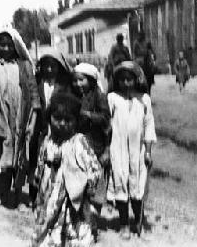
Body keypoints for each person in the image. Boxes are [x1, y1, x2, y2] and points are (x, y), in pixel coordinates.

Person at [31, 92, 101, 247]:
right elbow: (40, 165)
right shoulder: (47, 141)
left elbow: (95, 168)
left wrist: (86, 186)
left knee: (73, 232)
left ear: (76, 121)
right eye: (57, 119)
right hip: (49, 197)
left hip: (72, 200)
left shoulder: (78, 142)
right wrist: (37, 181)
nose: (62, 124)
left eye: (68, 120)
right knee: (47, 228)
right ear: (49, 118)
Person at [0, 28, 40, 209]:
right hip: (2, 117)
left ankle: (17, 191)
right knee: (3, 157)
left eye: (9, 45)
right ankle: (3, 192)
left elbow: (33, 93)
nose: (6, 48)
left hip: (21, 116)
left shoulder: (23, 65)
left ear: (15, 46)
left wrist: (32, 120)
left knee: (20, 155)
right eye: (2, 45)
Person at [108, 61, 156, 239]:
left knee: (138, 185)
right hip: (118, 148)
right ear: (117, 81)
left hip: (139, 149)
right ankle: (123, 224)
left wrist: (148, 151)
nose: (126, 83)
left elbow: (149, 125)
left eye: (129, 79)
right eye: (122, 80)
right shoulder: (112, 98)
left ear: (136, 80)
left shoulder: (144, 99)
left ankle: (138, 221)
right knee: (120, 182)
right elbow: (107, 125)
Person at [72, 63, 111, 241]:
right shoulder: (74, 96)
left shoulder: (99, 97)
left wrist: (89, 115)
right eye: (76, 81)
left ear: (92, 80)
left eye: (82, 80)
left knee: (96, 188)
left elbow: (106, 121)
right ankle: (81, 224)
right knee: (81, 188)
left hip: (96, 147)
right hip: (80, 149)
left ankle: (92, 225)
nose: (78, 84)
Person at [29, 52, 72, 208]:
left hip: (58, 127)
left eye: (53, 66)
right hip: (41, 127)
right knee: (37, 161)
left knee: (56, 161)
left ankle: (56, 195)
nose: (49, 69)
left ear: (59, 67)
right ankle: (35, 195)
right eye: (46, 66)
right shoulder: (37, 82)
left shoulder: (65, 84)